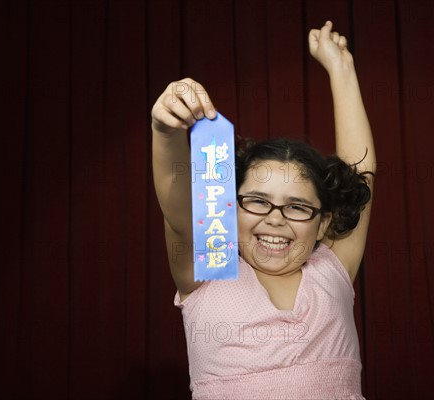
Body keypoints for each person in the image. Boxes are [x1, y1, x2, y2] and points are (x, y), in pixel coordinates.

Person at [152, 21, 376, 400]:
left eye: (298, 206)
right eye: (257, 200)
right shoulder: (209, 270)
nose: (275, 218)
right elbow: (176, 209)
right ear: (227, 206)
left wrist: (342, 69)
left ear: (323, 224)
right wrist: (165, 131)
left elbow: (359, 178)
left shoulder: (332, 270)